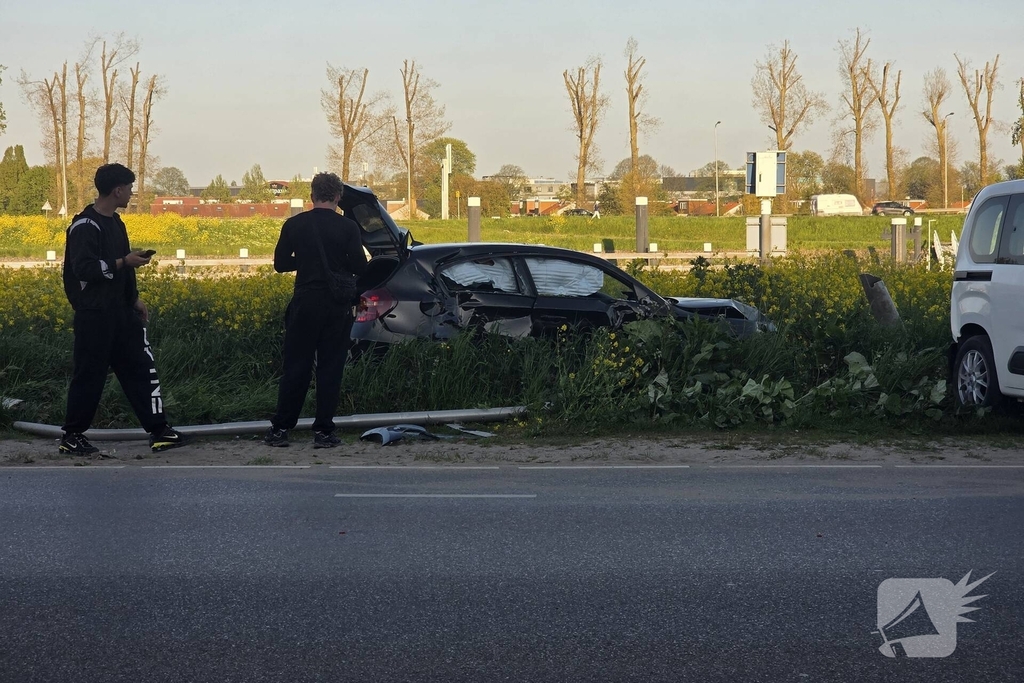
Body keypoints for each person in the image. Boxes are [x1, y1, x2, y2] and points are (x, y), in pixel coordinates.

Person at [59, 163, 186, 455]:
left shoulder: (117, 223)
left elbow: (122, 269)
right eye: (129, 188)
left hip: (121, 313)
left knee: (141, 369)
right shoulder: (84, 226)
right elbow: (84, 269)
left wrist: (133, 299)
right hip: (94, 315)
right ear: (117, 190)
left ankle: (160, 431)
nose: (131, 193)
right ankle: (72, 436)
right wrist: (124, 262)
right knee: (89, 375)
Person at [265, 172, 367, 448]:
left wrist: (308, 263)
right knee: (330, 367)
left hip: (305, 303)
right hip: (336, 306)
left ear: (312, 195)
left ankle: (281, 428)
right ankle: (323, 431)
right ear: (337, 197)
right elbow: (360, 268)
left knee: (296, 366)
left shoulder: (294, 225)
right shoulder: (347, 228)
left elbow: (281, 264)